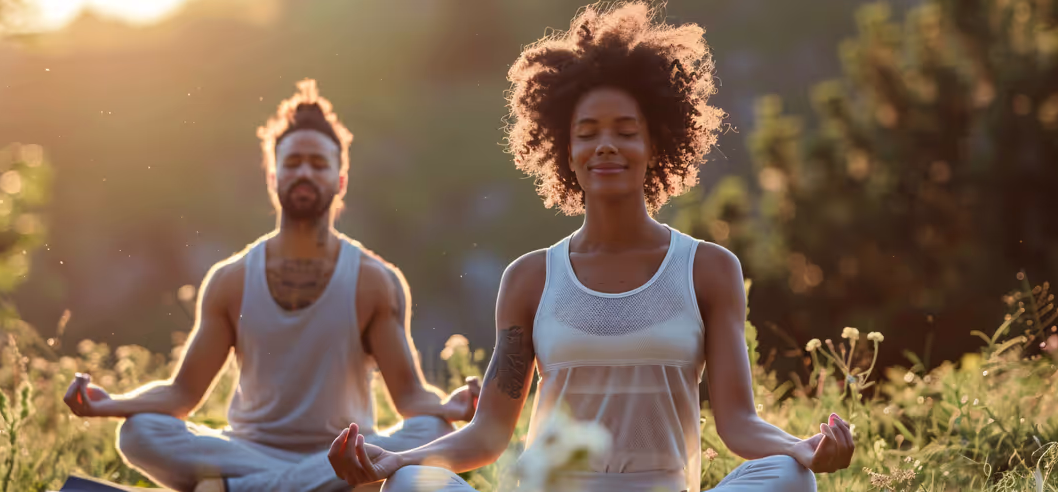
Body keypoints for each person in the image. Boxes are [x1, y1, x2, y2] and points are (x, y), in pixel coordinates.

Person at [326, 3, 854, 491]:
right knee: (411, 485)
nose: (606, 144)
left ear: (656, 144)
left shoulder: (708, 270)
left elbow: (738, 422)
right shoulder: (530, 278)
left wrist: (800, 447)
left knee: (789, 476)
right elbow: (488, 434)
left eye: (626, 131)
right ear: (566, 150)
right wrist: (396, 461)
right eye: (587, 133)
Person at [62, 79, 481, 492]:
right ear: (271, 173)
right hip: (250, 451)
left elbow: (409, 396)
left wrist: (452, 407)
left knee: (430, 428)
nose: (304, 172)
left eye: (319, 165)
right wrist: (109, 404)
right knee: (139, 432)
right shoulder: (230, 279)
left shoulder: (375, 281)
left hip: (341, 452)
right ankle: (310, 489)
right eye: (292, 162)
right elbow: (181, 393)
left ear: (340, 180)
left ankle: (249, 490)